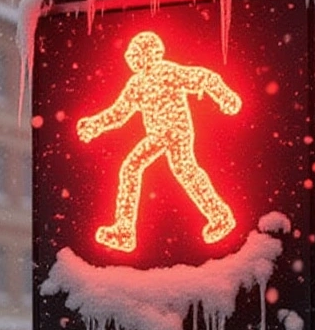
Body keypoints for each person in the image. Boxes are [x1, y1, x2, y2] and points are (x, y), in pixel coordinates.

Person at [77, 30, 241, 253]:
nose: (130, 58)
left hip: (175, 131)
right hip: (159, 134)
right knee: (171, 171)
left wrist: (225, 96)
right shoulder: (136, 84)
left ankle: (126, 231)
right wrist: (94, 125)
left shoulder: (166, 72)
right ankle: (218, 216)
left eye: (135, 53)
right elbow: (119, 113)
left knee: (140, 168)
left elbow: (204, 77)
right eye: (130, 54)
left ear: (148, 54)